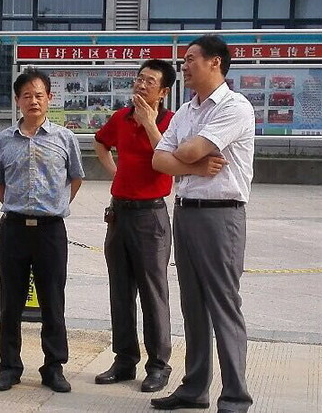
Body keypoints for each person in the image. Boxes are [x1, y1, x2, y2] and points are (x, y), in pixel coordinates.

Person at [151, 35, 255, 413]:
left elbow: (187, 149)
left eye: (191, 59)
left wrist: (186, 157)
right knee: (192, 305)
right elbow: (159, 161)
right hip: (185, 211)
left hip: (221, 215)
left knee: (223, 304)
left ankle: (235, 397)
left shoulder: (235, 107)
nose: (184, 66)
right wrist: (194, 167)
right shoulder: (186, 110)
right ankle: (195, 388)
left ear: (215, 62)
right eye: (184, 59)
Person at [0, 69, 85, 394]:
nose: (33, 101)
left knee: (53, 301)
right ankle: (9, 367)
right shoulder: (4, 139)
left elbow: (75, 178)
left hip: (50, 231)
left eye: (39, 95)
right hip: (13, 229)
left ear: (49, 99)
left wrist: (55, 206)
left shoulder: (64, 138)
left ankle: (53, 367)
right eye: (26, 95)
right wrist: (20, 206)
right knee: (10, 302)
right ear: (18, 100)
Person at [92, 59, 177, 394]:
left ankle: (158, 365)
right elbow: (101, 142)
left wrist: (150, 123)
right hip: (119, 214)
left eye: (149, 81)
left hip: (150, 217)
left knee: (153, 294)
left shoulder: (172, 121)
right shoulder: (120, 118)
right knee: (120, 291)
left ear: (163, 91)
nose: (141, 85)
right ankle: (125, 360)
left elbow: (169, 158)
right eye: (139, 79)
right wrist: (116, 173)